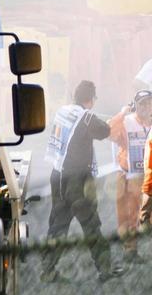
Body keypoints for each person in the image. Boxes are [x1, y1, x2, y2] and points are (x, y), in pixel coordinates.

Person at [41, 81, 124, 282]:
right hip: (78, 181)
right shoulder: (87, 118)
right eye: (94, 98)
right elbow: (105, 131)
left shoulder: (63, 111)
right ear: (91, 99)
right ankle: (105, 270)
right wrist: (122, 114)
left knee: (58, 225)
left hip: (58, 175)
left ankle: (48, 271)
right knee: (91, 225)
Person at [109, 90, 152, 261]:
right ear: (135, 106)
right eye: (142, 103)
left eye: (149, 103)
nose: (146, 107)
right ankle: (130, 251)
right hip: (130, 176)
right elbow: (109, 133)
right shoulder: (127, 122)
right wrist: (122, 113)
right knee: (130, 214)